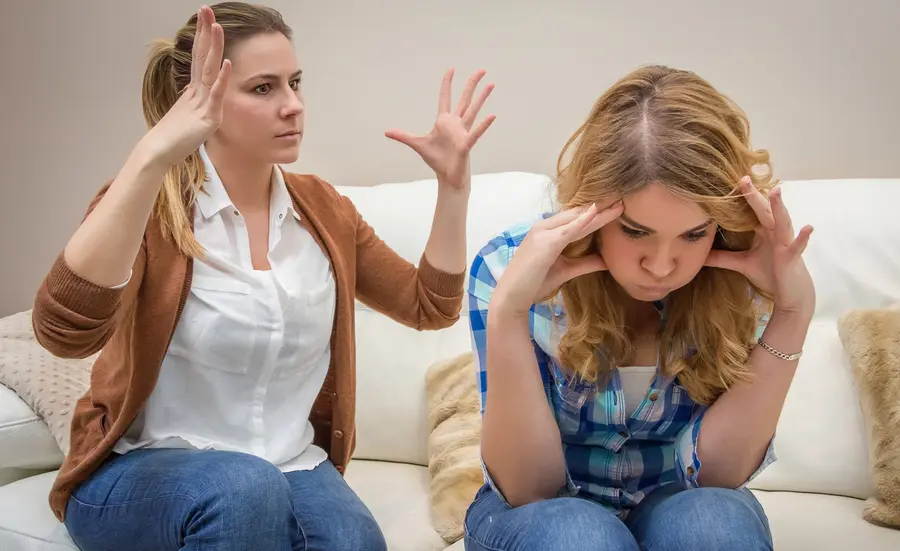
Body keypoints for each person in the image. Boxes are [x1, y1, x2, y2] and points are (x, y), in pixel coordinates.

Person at [31, 3, 494, 550]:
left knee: (354, 540)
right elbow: (63, 335)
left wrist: (453, 189)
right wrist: (152, 157)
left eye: (295, 83)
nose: (293, 105)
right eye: (263, 88)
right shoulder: (148, 206)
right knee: (242, 488)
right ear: (200, 102)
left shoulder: (324, 211)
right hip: (142, 469)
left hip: (287, 463)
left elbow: (429, 306)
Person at [464, 64, 815, 551]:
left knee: (714, 524)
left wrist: (794, 312)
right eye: (634, 231)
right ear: (592, 209)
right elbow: (528, 489)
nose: (662, 266)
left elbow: (717, 476)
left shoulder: (745, 275)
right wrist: (509, 314)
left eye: (693, 234)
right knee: (580, 537)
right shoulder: (506, 265)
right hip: (543, 519)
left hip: (676, 501)